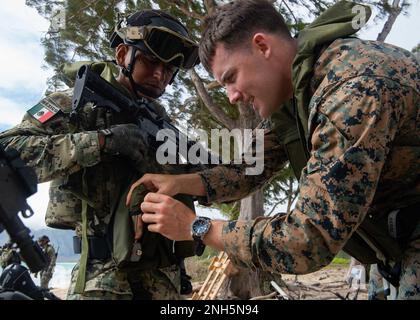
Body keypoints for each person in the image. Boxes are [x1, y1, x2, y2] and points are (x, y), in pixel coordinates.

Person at [127, 0, 420, 299]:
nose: (232, 97)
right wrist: (182, 184)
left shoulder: (352, 90)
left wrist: (198, 227)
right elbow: (249, 169)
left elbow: (308, 239)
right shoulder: (298, 93)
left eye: (230, 78)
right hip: (395, 247)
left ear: (262, 46)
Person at [0, 9, 200, 299]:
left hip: (163, 279)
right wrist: (102, 142)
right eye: (151, 61)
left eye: (169, 69)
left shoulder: (162, 124)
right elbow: (8, 150)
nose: (160, 74)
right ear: (122, 56)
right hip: (102, 281)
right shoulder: (72, 103)